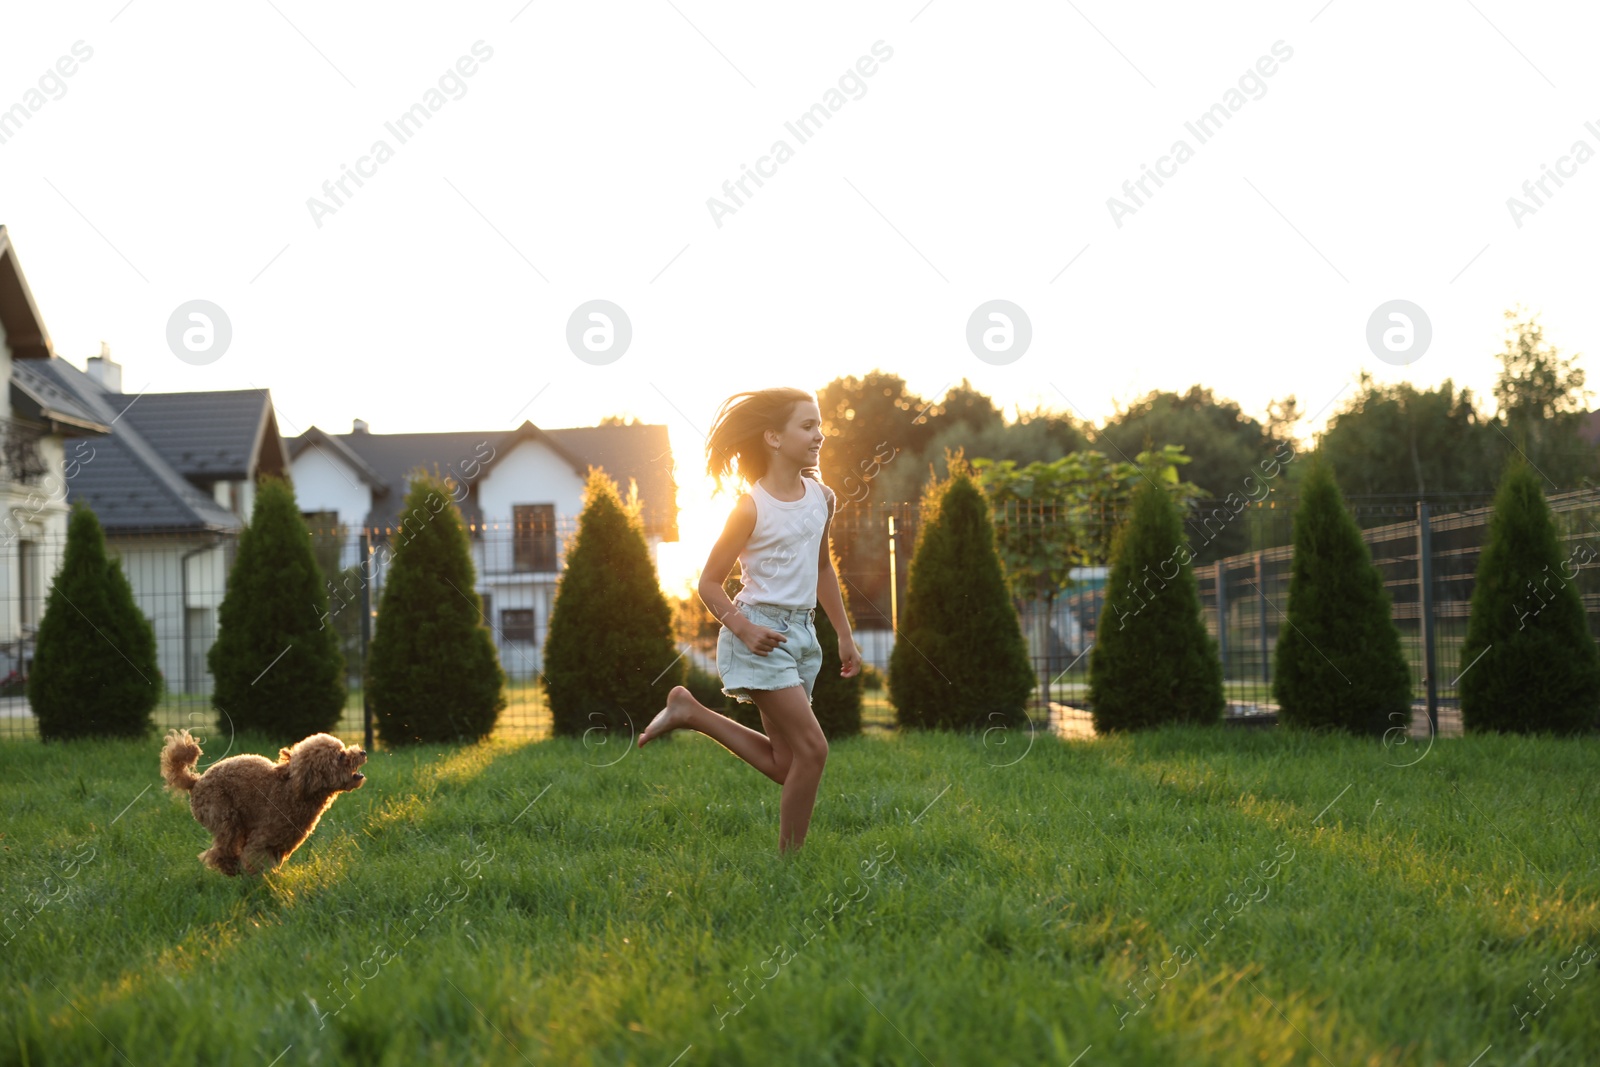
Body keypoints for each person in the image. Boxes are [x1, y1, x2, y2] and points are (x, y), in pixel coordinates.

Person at [638, 386, 862, 853]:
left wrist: (842, 633)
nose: (820, 434)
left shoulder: (823, 497)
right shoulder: (749, 507)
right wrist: (743, 628)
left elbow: (822, 568)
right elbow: (709, 584)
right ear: (773, 438)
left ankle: (691, 712)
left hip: (801, 636)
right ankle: (790, 864)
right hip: (756, 633)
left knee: (787, 762)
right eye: (807, 425)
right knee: (813, 751)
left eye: (820, 425)